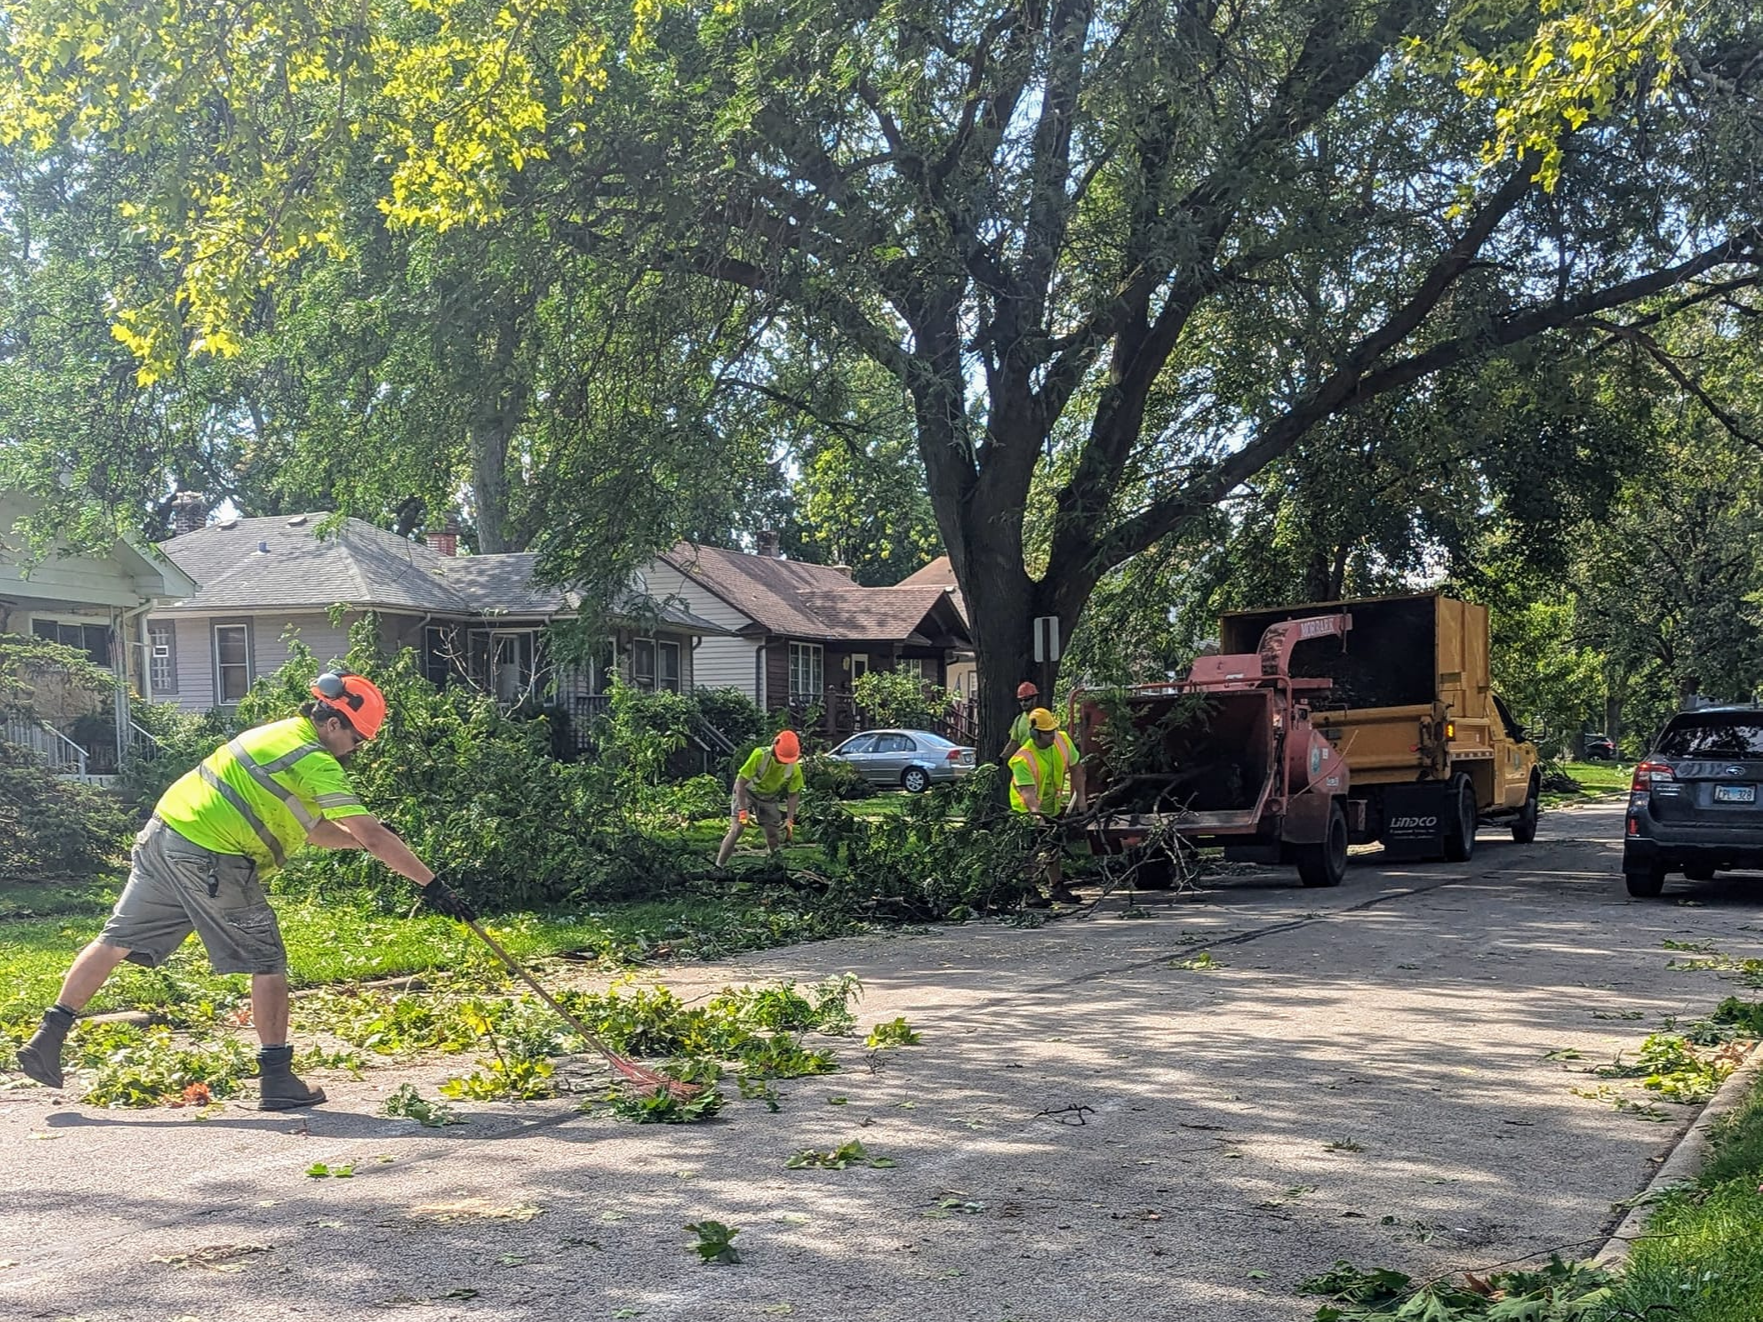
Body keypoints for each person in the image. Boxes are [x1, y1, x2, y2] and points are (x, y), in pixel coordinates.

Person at [12, 670, 474, 1110]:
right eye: (355, 740)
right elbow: (374, 836)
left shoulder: (273, 736)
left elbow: (313, 829)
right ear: (334, 722)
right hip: (213, 858)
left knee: (115, 940)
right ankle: (277, 1078)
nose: (353, 751)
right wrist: (433, 886)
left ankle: (49, 1036)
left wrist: (361, 839)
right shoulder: (313, 760)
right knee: (267, 961)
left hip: (164, 837)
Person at [1007, 708, 1087, 903]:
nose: (1052, 735)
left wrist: (1081, 798)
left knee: (1054, 847)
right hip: (1025, 810)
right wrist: (1035, 815)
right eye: (1047, 732)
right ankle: (1030, 891)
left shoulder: (1062, 740)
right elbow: (1027, 792)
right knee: (1030, 851)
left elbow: (1076, 769)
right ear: (1035, 733)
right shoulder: (1022, 758)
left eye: (1053, 730)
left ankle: (1057, 887)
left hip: (1053, 806)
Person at [716, 730, 805, 867]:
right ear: (774, 745)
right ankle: (719, 865)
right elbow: (740, 783)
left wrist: (790, 819)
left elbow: (793, 794)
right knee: (737, 829)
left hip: (769, 797)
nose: (782, 762)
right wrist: (743, 810)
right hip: (747, 792)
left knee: (773, 834)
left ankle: (775, 866)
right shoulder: (760, 755)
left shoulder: (794, 768)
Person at [998, 681, 1043, 764]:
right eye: (1021, 700)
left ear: (1035, 698)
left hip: (1043, 763)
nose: (1023, 703)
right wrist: (1001, 758)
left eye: (1026, 700)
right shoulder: (1018, 720)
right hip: (1026, 763)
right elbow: (1014, 742)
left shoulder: (1044, 717)